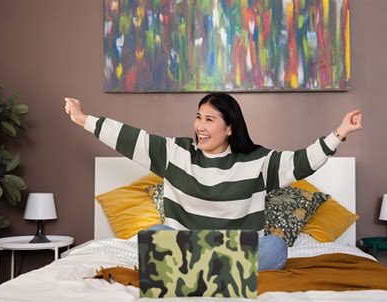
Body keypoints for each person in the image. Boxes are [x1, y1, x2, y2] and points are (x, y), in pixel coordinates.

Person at [64, 93, 362, 271]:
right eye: (198, 117)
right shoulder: (175, 153)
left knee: (276, 248)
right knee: (152, 234)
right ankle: (221, 272)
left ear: (229, 128)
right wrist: (82, 118)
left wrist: (339, 133)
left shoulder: (256, 161)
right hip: (190, 246)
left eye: (209, 119)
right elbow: (129, 137)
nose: (199, 126)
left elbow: (301, 161)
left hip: (238, 249)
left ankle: (195, 272)